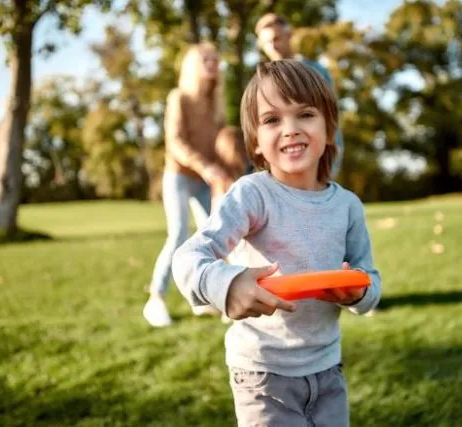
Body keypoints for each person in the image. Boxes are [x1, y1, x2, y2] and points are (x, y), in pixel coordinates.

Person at [172, 59, 381, 426]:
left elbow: (371, 280)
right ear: (255, 141)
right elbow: (188, 257)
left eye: (305, 114)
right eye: (272, 120)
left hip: (328, 371)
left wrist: (359, 292)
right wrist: (229, 283)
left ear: (330, 127)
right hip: (262, 377)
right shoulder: (253, 195)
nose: (290, 130)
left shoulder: (347, 206)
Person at [143, 42, 233, 328]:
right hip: (179, 176)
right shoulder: (178, 98)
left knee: (215, 237)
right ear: (193, 65)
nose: (212, 63)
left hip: (207, 179)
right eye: (205, 59)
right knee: (179, 233)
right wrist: (204, 166)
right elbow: (176, 142)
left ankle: (205, 298)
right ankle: (155, 299)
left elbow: (221, 143)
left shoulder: (215, 103)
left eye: (215, 59)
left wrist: (228, 168)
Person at [254, 12, 344, 178]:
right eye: (266, 42)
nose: (272, 46)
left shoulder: (317, 71)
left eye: (276, 39)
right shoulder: (261, 81)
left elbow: (331, 114)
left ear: (289, 36)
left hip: (321, 153)